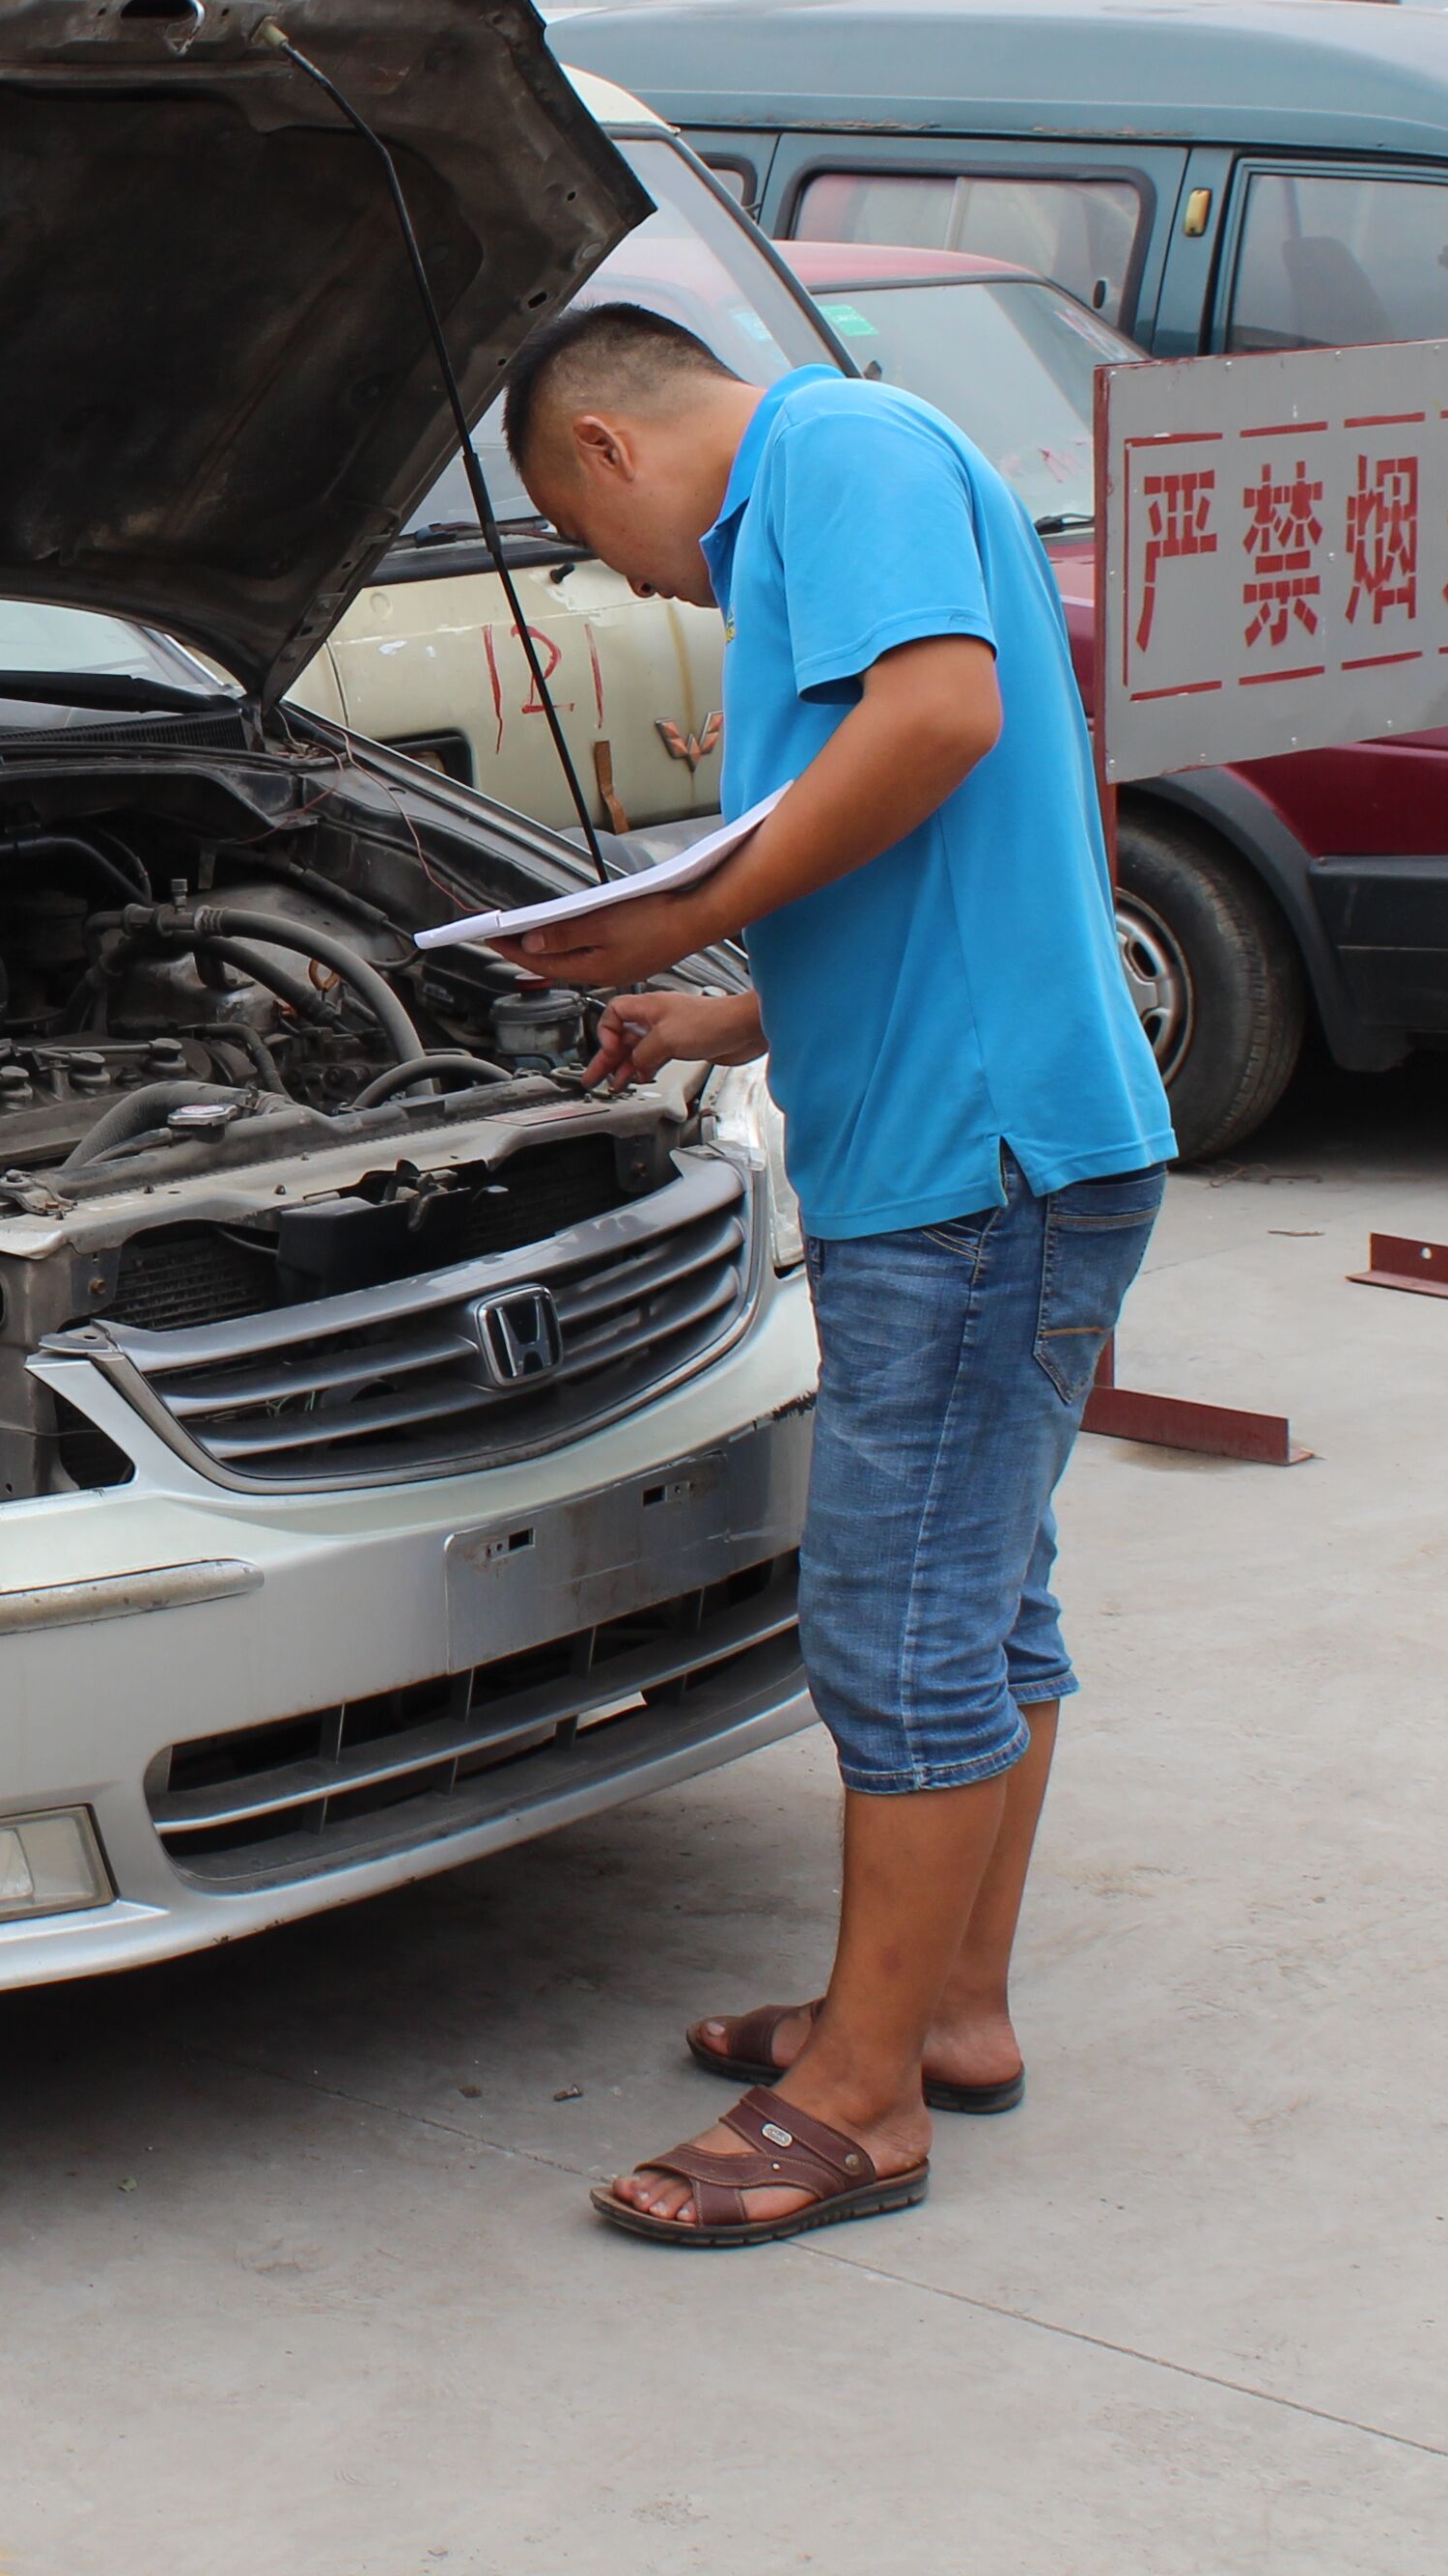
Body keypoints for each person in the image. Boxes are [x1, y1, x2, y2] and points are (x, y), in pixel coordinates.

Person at [494, 302, 1175, 2249]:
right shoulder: (850, 472)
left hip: (977, 1169)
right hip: (999, 1140)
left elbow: (941, 722)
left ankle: (861, 2102)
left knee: (897, 1624)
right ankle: (942, 2013)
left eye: (590, 540)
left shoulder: (836, 456)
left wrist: (681, 911)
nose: (635, 584)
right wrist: (724, 1010)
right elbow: (930, 876)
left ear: (608, 449)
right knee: (985, 1603)